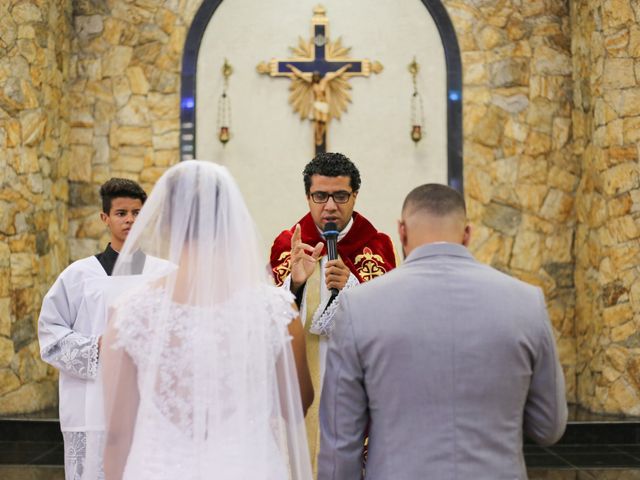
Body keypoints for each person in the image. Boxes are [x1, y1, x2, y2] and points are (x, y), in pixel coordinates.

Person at [318, 183, 568, 480]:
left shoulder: (358, 307)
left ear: (402, 232)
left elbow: (340, 445)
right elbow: (548, 427)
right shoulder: (527, 302)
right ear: (467, 234)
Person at [101, 160, 314, 480]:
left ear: (168, 223)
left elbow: (117, 433)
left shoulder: (130, 312)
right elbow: (297, 405)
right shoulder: (277, 310)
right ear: (230, 222)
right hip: (248, 467)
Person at [269, 152, 396, 473]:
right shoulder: (288, 245)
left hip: (356, 381)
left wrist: (352, 284)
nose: (329, 206)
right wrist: (295, 285)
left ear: (354, 196)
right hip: (304, 377)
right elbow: (270, 325)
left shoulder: (376, 246)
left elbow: (391, 321)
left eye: (340, 196)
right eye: (320, 196)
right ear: (308, 196)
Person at [38, 178, 147, 480]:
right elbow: (51, 332)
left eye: (137, 213)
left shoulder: (162, 273)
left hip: (145, 402)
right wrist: (97, 347)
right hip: (92, 401)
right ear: (104, 218)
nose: (130, 220)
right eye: (121, 213)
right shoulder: (79, 276)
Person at [287, 64, 352, 147]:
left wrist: (345, 68)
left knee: (323, 122)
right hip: (317, 104)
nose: (316, 78)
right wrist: (292, 68)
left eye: (317, 76)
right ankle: (318, 136)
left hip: (324, 104)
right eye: (314, 77)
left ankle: (321, 135)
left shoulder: (324, 81)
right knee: (318, 121)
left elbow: (336, 74)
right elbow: (300, 75)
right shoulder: (312, 83)